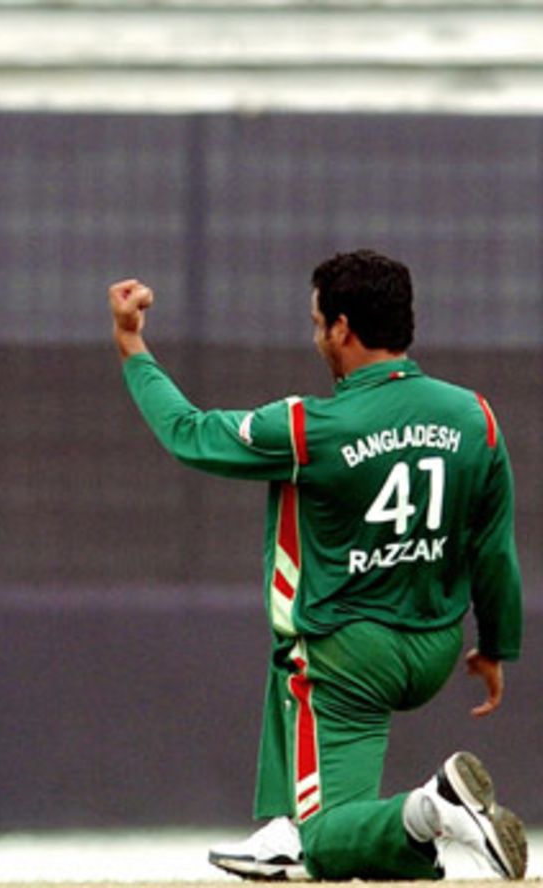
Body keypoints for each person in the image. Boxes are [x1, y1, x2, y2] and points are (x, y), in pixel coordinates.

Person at [106, 250, 526, 881]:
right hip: (436, 646)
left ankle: (431, 808)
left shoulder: (310, 426)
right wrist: (495, 647)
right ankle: (286, 830)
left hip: (349, 659)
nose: (315, 337)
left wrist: (131, 345)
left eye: (317, 323)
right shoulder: (477, 418)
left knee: (324, 837)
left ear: (342, 328)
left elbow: (188, 432)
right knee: (295, 675)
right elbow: (493, 550)